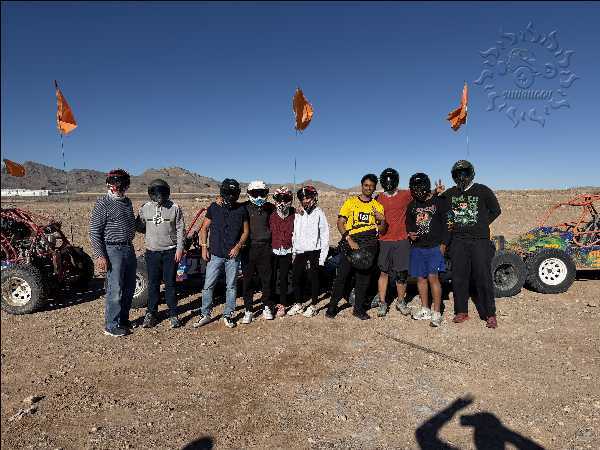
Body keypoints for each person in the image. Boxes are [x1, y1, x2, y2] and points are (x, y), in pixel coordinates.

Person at [442, 160, 501, 329]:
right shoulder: (450, 193)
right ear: (454, 176)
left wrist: (481, 223)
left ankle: (489, 313)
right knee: (459, 276)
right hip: (458, 241)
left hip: (479, 240)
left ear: (471, 174)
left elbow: (496, 210)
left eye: (465, 173)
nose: (462, 177)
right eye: (458, 174)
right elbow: (437, 206)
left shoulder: (482, 190)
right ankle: (461, 311)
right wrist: (436, 192)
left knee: (483, 276)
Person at [326, 174, 385, 320]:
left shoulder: (378, 206)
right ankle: (332, 306)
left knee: (363, 277)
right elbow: (340, 223)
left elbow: (382, 230)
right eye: (366, 185)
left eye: (371, 186)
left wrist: (382, 220)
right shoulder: (351, 203)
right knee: (342, 276)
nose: (368, 188)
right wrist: (349, 239)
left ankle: (358, 309)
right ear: (362, 185)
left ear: (375, 188)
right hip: (351, 240)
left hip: (369, 243)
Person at [193, 179, 249, 329]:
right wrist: (204, 247)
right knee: (208, 285)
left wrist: (238, 246)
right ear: (223, 193)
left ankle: (228, 314)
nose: (230, 197)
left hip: (232, 256)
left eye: (233, 194)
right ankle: (205, 314)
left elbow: (246, 231)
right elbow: (204, 228)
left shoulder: (241, 209)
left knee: (231, 286)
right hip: (215, 254)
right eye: (228, 194)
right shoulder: (214, 207)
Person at [89, 169, 136, 337]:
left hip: (128, 248)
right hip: (112, 250)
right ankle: (111, 325)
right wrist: (100, 255)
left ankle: (123, 320)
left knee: (129, 287)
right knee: (115, 289)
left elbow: (132, 223)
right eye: (117, 185)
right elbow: (94, 231)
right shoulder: (103, 203)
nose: (120, 189)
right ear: (110, 185)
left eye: (123, 186)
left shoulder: (127, 202)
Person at [136, 179, 185, 329]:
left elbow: (180, 229)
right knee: (153, 284)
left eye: (162, 192)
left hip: (170, 251)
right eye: (156, 193)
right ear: (151, 193)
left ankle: (173, 313)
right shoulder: (144, 208)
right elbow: (140, 226)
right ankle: (151, 313)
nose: (159, 196)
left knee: (170, 284)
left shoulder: (175, 207)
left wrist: (179, 249)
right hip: (152, 252)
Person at [405, 173, 450, 327]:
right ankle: (425, 308)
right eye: (414, 188)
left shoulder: (439, 202)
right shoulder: (412, 205)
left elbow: (447, 225)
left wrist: (443, 244)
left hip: (434, 247)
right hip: (418, 247)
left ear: (426, 187)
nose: (418, 191)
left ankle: (437, 312)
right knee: (420, 279)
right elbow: (409, 223)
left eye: (420, 187)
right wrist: (410, 234)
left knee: (433, 278)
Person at [374, 168, 413, 317]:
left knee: (401, 273)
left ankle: (401, 301)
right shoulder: (378, 198)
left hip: (402, 239)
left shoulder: (405, 195)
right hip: (384, 240)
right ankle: (382, 302)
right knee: (384, 272)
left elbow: (421, 195)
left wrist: (436, 192)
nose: (389, 183)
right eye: (386, 180)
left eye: (391, 180)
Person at [287, 185, 330, 317]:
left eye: (308, 197)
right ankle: (298, 303)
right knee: (296, 277)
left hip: (314, 251)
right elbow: (295, 233)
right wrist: (294, 251)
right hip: (300, 251)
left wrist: (322, 257)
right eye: (302, 198)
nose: (305, 200)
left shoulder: (319, 213)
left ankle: (313, 305)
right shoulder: (299, 214)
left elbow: (325, 235)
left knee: (313, 279)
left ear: (314, 198)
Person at [240, 180, 275, 324]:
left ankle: (267, 306)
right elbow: (228, 209)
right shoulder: (243, 207)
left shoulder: (270, 208)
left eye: (262, 193)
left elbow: (285, 212)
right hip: (248, 248)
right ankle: (248, 309)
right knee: (247, 280)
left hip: (265, 247)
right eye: (255, 194)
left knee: (267, 279)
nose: (259, 197)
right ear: (249, 194)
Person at [269, 186, 295, 318]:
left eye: (286, 199)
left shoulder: (295, 214)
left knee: (284, 277)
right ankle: (271, 303)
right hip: (273, 250)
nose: (282, 202)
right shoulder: (271, 214)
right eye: (279, 199)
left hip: (288, 250)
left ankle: (282, 303)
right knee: (271, 277)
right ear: (275, 199)